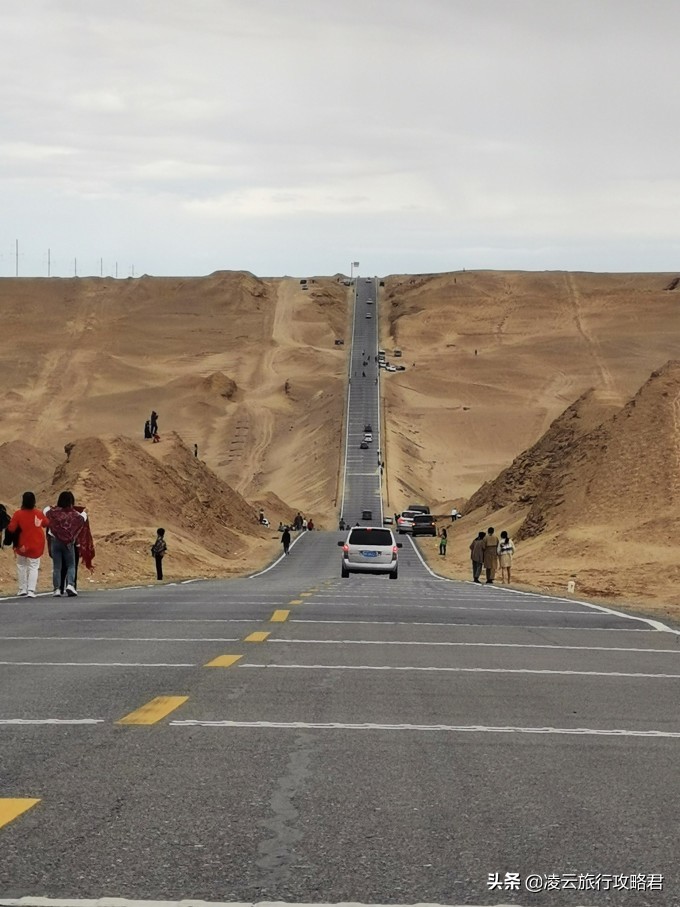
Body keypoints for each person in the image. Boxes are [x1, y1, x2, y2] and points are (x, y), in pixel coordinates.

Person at [45, 492, 95, 594]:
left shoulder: (53, 513)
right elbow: (82, 519)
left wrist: (53, 507)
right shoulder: (74, 515)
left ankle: (57, 589)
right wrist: (85, 512)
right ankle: (70, 585)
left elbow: (45, 510)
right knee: (71, 565)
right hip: (68, 544)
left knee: (57, 567)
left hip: (55, 542)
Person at [6, 491, 49, 597]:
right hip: (36, 545)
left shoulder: (18, 514)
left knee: (21, 566)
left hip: (22, 545)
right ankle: (31, 590)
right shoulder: (38, 513)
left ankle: (22, 589)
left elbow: (11, 528)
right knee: (33, 567)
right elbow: (46, 523)